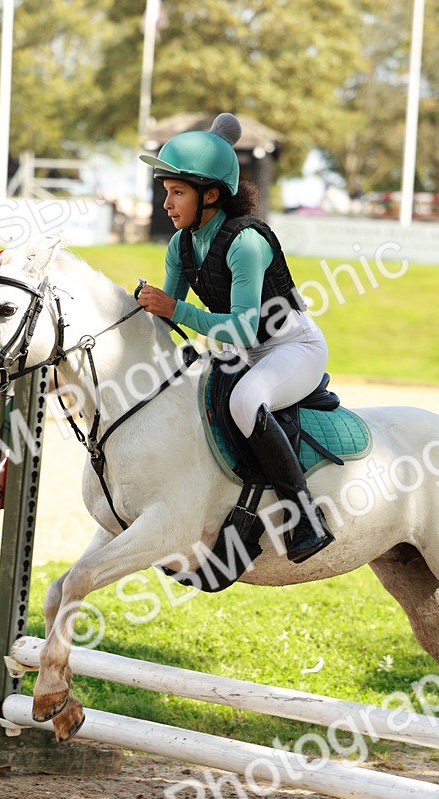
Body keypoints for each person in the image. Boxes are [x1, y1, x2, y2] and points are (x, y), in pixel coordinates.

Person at [137, 113, 334, 565]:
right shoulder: (181, 244)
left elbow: (243, 327)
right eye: (166, 192)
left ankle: (304, 517)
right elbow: (166, 319)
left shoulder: (247, 241)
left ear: (211, 195)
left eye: (177, 192)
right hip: (236, 352)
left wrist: (175, 309)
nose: (166, 203)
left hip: (290, 347)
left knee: (245, 402)